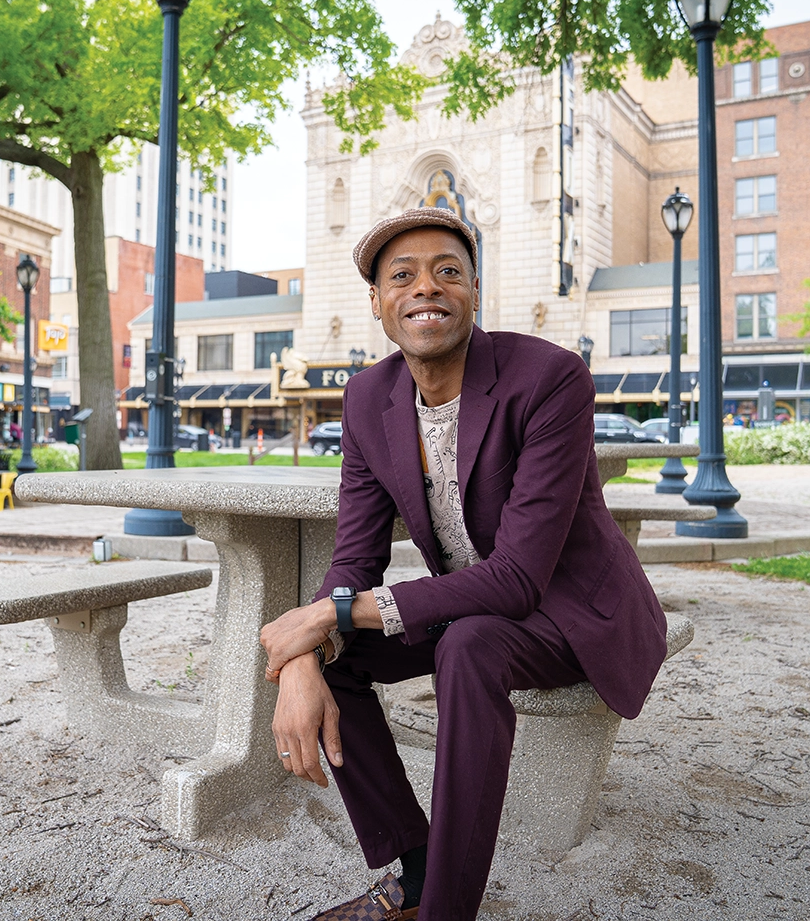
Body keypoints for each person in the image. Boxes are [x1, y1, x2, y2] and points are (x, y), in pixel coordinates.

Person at [258, 207, 670, 921]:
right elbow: (354, 558)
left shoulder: (549, 378)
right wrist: (304, 654)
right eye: (403, 275)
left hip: (571, 612)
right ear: (379, 303)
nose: (427, 287)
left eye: (448, 271)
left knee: (467, 643)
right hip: (472, 606)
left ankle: (447, 910)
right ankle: (416, 875)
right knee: (340, 652)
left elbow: (517, 580)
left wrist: (329, 612)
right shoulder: (367, 398)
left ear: (475, 291)